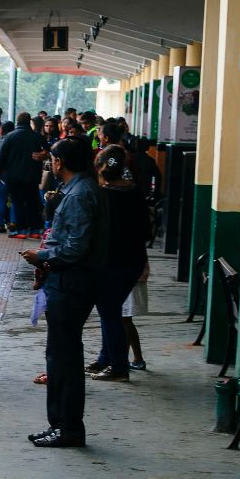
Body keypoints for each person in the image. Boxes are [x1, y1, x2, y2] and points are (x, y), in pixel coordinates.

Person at [22, 138, 108, 447]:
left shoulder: (79, 195)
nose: (51, 163)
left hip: (71, 282)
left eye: (53, 159)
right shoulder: (79, 191)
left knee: (63, 358)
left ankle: (67, 427)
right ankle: (60, 424)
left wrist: (42, 257)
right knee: (60, 355)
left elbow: (75, 247)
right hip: (72, 280)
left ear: (61, 163)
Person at [89, 145, 150, 380]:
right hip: (132, 260)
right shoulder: (134, 192)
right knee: (111, 311)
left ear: (101, 168)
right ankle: (107, 359)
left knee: (109, 313)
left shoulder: (103, 196)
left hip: (111, 262)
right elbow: (145, 231)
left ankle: (118, 366)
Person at [0, 111, 46, 237]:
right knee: (32, 201)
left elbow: (1, 157)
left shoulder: (10, 137)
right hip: (32, 176)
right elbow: (48, 150)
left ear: (18, 121)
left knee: (17, 202)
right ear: (29, 122)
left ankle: (21, 230)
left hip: (14, 176)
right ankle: (35, 230)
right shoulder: (37, 136)